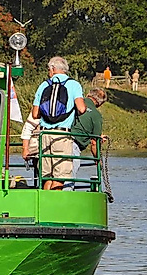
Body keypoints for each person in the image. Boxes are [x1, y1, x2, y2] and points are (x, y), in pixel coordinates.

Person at [31, 56, 87, 191]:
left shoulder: (44, 85)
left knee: (47, 175)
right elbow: (81, 108)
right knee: (60, 175)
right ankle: (56, 201)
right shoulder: (74, 85)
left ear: (53, 69)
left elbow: (35, 114)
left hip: (44, 134)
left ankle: (45, 201)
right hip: (61, 135)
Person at [68, 88, 107, 190]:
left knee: (51, 176)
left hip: (55, 139)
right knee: (68, 177)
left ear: (88, 95)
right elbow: (94, 143)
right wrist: (98, 160)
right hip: (73, 146)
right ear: (99, 103)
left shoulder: (72, 103)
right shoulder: (96, 115)